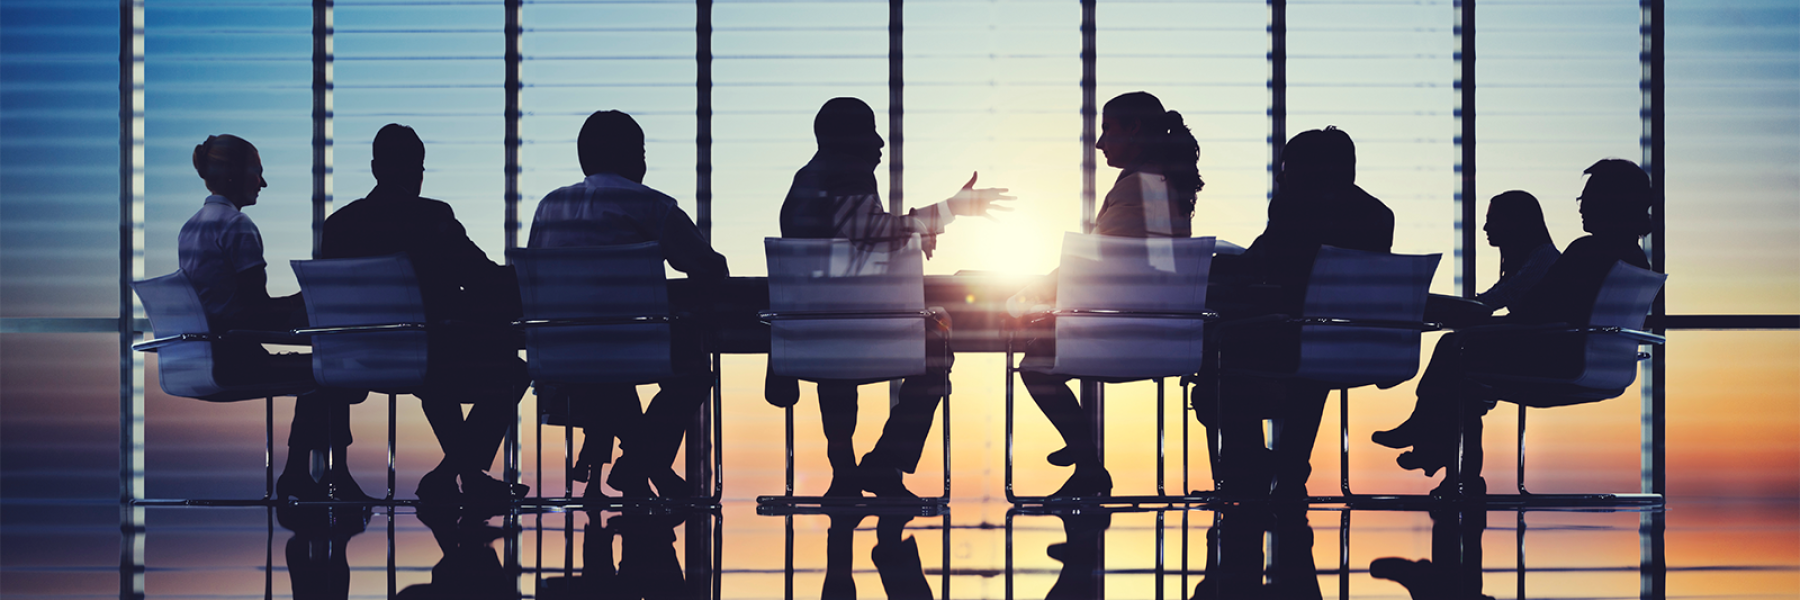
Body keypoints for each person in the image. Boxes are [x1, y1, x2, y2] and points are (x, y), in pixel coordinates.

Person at [774, 96, 1013, 498]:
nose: (881, 143)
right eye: (870, 131)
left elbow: (848, 245)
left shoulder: (807, 182)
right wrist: (947, 211)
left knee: (834, 358)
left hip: (812, 334)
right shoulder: (847, 173)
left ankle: (845, 471)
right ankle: (886, 463)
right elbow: (868, 228)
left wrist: (909, 235)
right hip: (860, 330)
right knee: (936, 344)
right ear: (848, 138)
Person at [1374, 159, 1654, 497]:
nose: (1582, 207)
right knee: (1462, 367)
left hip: (1559, 358)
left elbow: (1538, 311)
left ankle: (1436, 447)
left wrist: (1480, 324)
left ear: (1612, 202)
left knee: (1453, 350)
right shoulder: (1635, 259)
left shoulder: (1588, 250)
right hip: (1599, 366)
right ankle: (1447, 462)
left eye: (1588, 199)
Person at [1007, 91, 1205, 497]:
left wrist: (1032, 294)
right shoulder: (1168, 185)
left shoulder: (1140, 187)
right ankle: (1083, 453)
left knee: (1035, 364)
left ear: (1133, 129)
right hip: (1166, 336)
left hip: (1126, 336)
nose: (1099, 144)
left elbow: (1099, 260)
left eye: (1107, 130)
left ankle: (1088, 461)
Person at [320, 124, 529, 504]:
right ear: (418, 171)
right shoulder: (432, 216)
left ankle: (459, 476)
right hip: (429, 357)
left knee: (436, 368)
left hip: (356, 361)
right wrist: (530, 279)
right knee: (514, 371)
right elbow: (481, 277)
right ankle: (455, 474)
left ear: (374, 168)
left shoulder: (338, 226)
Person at [527, 109, 729, 499]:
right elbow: (709, 268)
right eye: (642, 152)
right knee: (692, 372)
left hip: (558, 356)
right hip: (631, 349)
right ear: (633, 156)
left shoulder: (548, 208)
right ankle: (640, 464)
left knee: (609, 370)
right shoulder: (652, 206)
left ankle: (639, 467)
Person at [1199, 126, 1395, 499]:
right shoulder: (1378, 214)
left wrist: (1214, 266)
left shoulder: (1295, 205)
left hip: (1289, 338)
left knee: (1220, 352)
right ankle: (1289, 469)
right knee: (1313, 357)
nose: (1280, 174)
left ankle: (1248, 463)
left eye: (1286, 165)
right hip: (1356, 343)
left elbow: (1265, 263)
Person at [178, 134, 368, 502]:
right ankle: (323, 475)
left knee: (325, 374)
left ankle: (306, 474)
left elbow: (230, 303)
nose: (262, 183)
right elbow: (256, 311)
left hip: (203, 356)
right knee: (334, 373)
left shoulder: (191, 227)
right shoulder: (238, 227)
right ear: (234, 175)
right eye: (257, 173)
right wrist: (308, 301)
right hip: (236, 358)